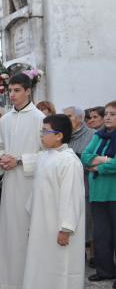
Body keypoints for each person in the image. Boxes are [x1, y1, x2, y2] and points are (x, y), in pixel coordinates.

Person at [0, 73, 45, 289]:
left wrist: (21, 160)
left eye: (17, 90)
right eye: (10, 90)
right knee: (10, 235)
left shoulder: (40, 118)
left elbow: (47, 154)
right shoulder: (4, 120)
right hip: (11, 184)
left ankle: (32, 283)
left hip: (31, 184)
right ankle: (8, 283)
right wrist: (1, 157)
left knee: (30, 235)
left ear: (28, 91)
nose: (12, 95)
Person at [23, 114, 85, 289]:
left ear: (59, 135)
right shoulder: (44, 157)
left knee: (60, 268)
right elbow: (37, 191)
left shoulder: (69, 162)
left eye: (45, 131)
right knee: (40, 266)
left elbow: (72, 197)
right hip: (41, 225)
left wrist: (66, 228)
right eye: (41, 131)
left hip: (59, 228)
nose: (41, 135)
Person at [82, 100, 116, 288]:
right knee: (101, 234)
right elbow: (85, 157)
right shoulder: (99, 136)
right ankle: (105, 270)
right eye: (108, 114)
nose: (108, 117)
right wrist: (105, 160)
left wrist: (97, 167)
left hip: (114, 193)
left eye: (113, 114)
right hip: (98, 194)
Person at [63, 106, 96, 266]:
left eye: (69, 116)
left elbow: (91, 159)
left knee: (89, 223)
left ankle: (94, 256)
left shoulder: (92, 135)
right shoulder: (63, 135)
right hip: (66, 187)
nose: (66, 119)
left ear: (80, 119)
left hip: (86, 185)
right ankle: (77, 255)